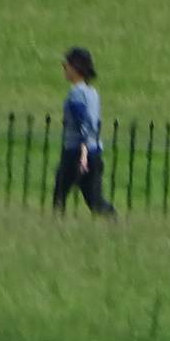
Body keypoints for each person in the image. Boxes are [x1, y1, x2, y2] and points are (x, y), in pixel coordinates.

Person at [54, 46, 116, 217]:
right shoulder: (93, 93)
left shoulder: (76, 94)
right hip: (95, 151)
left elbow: (83, 124)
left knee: (59, 196)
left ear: (76, 67)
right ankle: (114, 220)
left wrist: (83, 153)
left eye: (66, 65)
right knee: (95, 201)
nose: (64, 68)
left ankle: (55, 225)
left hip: (76, 152)